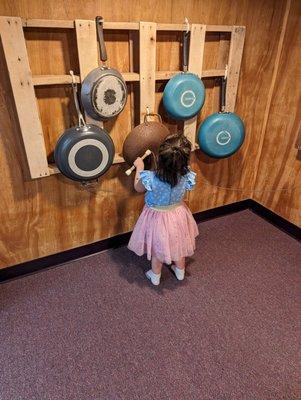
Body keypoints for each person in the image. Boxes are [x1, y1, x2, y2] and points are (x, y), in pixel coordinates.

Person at [128, 133, 199, 286]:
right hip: (178, 214)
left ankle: (155, 275)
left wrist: (140, 167)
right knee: (178, 242)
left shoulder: (151, 177)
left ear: (160, 158)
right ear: (184, 159)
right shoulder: (186, 175)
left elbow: (137, 188)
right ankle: (180, 272)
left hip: (157, 217)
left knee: (158, 248)